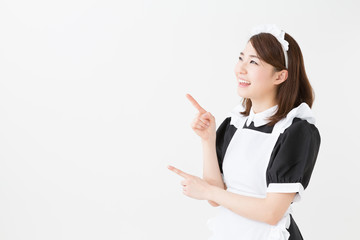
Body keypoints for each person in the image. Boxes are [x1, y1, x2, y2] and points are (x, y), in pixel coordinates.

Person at [167, 24, 321, 240]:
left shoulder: (296, 131)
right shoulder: (234, 124)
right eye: (241, 58)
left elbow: (271, 212)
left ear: (280, 77)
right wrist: (208, 140)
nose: (240, 69)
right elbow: (215, 197)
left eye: (253, 62)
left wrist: (207, 191)